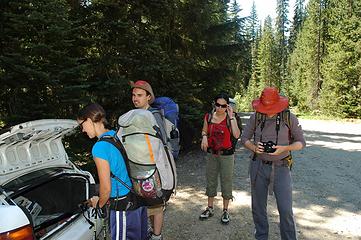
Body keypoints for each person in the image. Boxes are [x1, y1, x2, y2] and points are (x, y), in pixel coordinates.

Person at [241, 87, 306, 240]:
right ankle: (261, 237)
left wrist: (285, 148)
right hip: (258, 166)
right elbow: (244, 139)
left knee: (285, 209)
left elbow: (301, 143)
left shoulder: (289, 117)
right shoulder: (256, 117)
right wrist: (254, 148)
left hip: (281, 167)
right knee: (258, 208)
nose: (269, 111)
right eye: (266, 108)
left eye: (272, 108)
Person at [77, 103, 148, 240]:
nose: (83, 130)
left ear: (90, 120)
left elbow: (106, 188)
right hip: (137, 200)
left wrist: (99, 203)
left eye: (82, 125)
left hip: (123, 207)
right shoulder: (115, 135)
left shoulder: (99, 147)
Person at [130, 80, 164, 240]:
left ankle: (157, 236)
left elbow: (162, 141)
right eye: (134, 95)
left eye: (140, 95)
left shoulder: (154, 115)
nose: (135, 98)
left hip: (153, 167)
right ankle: (150, 233)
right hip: (138, 166)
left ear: (149, 97)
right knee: (145, 204)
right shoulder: (133, 114)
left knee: (156, 204)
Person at [199, 93, 240, 224]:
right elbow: (204, 131)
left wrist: (232, 117)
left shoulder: (231, 118)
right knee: (210, 179)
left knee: (226, 181)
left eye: (223, 105)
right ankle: (210, 208)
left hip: (227, 155)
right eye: (218, 105)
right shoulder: (209, 116)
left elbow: (237, 134)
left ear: (227, 106)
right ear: (214, 104)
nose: (220, 108)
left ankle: (225, 210)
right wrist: (204, 136)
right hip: (212, 154)